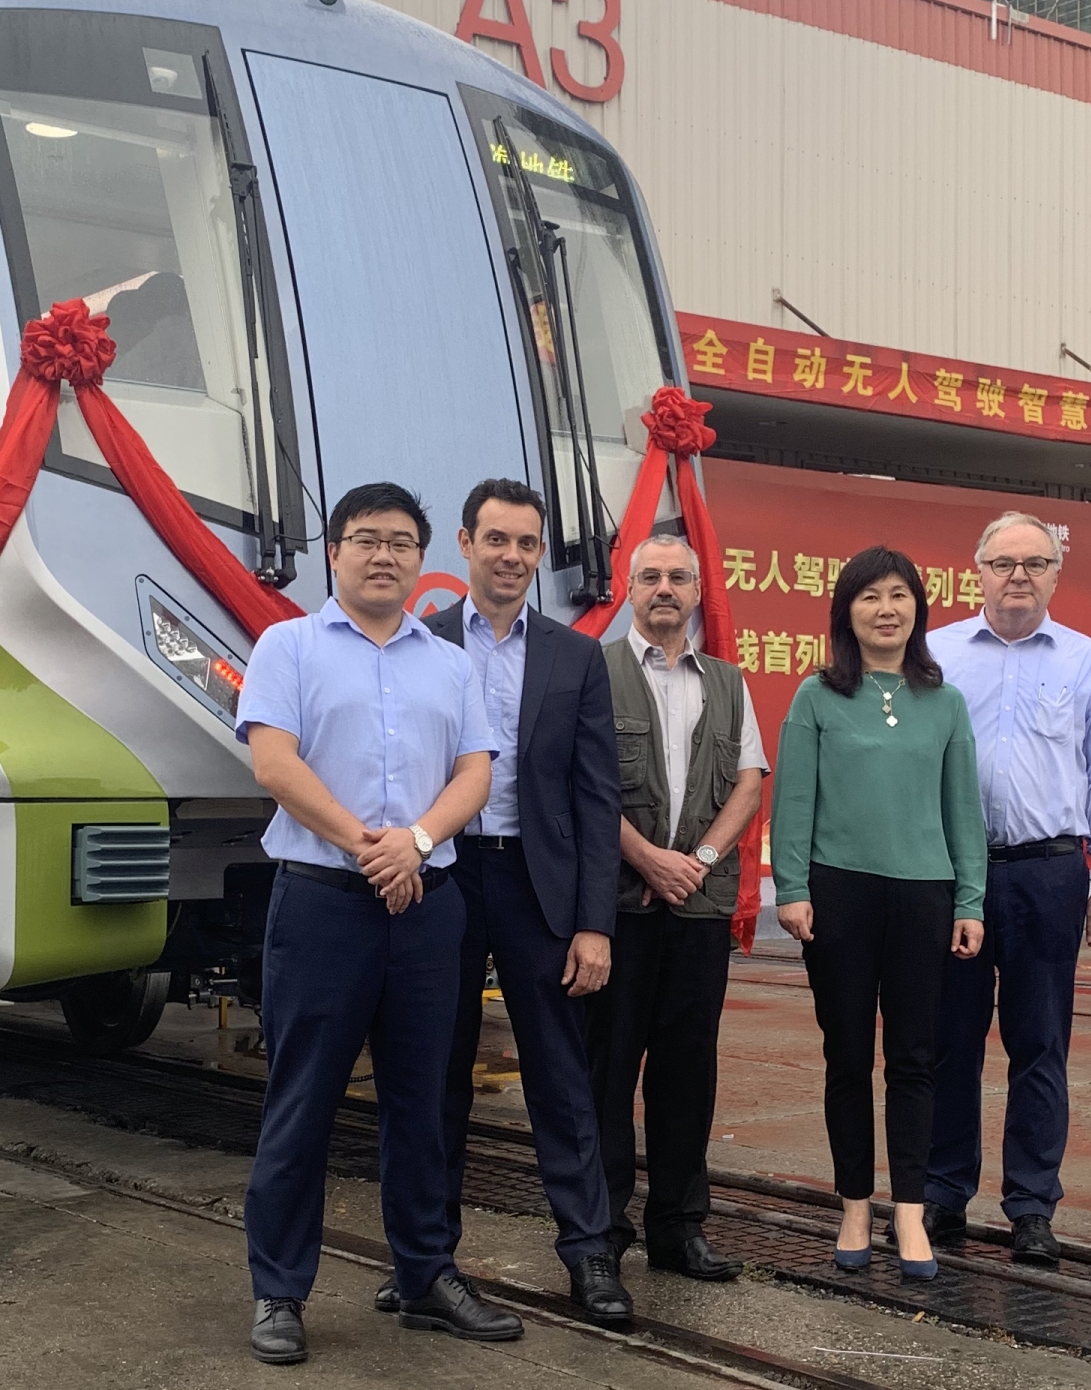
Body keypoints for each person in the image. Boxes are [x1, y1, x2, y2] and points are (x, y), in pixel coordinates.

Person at [235, 482, 521, 1365]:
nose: (384, 555)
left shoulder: (446, 662)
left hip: (427, 912)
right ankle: (279, 1291)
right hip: (325, 905)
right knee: (303, 1098)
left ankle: (426, 1274)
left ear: (420, 556)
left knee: (423, 1101)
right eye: (366, 539)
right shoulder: (286, 645)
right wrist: (372, 846)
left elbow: (474, 772)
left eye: (402, 541)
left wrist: (420, 840)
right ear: (334, 552)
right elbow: (274, 764)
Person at [406, 478, 630, 1323]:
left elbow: (595, 799)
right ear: (463, 546)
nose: (510, 557)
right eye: (495, 540)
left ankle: (589, 1254)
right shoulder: (418, 645)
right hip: (445, 879)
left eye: (527, 544)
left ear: (541, 555)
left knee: (561, 1080)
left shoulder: (576, 656)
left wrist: (592, 924)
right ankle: (425, 1257)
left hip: (541, 889)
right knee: (433, 1077)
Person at [773, 546, 989, 1280]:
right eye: (869, 596)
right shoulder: (815, 697)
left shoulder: (944, 701)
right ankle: (855, 1204)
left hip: (924, 894)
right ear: (846, 611)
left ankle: (909, 1210)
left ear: (916, 610)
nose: (885, 609)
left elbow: (963, 810)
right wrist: (791, 888)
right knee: (845, 1057)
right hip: (838, 895)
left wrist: (969, 901)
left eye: (898, 596)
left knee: (914, 1059)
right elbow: (793, 802)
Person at [924, 513, 1091, 1265]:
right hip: (952, 873)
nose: (1018, 575)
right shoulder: (934, 653)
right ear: (975, 570)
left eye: (1034, 563)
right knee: (949, 1041)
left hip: (1049, 872)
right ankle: (942, 1194)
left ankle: (1031, 1206)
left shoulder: (1086, 662)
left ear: (1054, 574)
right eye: (1002, 562)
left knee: (1039, 1044)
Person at [588, 533, 765, 1282]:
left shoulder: (726, 681)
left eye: (679, 578)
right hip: (617, 910)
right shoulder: (591, 671)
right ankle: (596, 1229)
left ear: (698, 591)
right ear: (628, 588)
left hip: (694, 908)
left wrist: (697, 861)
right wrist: (647, 858)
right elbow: (580, 784)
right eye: (651, 576)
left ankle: (679, 1227)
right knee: (605, 1070)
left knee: (687, 1072)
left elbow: (749, 781)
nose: (665, 589)